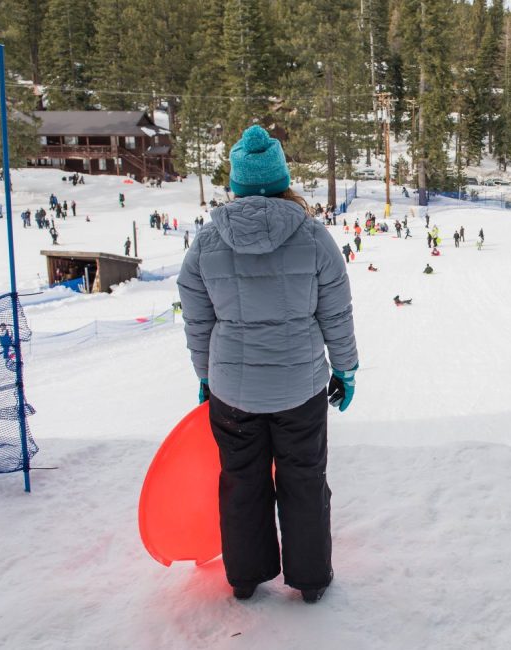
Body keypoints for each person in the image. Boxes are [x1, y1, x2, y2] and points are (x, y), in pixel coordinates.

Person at [177, 124, 358, 604]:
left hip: (232, 393)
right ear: (282, 181)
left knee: (241, 481)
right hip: (300, 389)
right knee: (303, 478)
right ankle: (311, 578)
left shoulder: (206, 244)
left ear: (236, 184)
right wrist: (345, 368)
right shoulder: (314, 236)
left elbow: (198, 322)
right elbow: (336, 311)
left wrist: (205, 375)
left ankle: (244, 576)